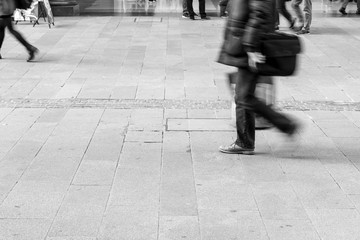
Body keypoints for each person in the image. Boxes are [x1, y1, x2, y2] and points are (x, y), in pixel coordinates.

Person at [217, 0, 299, 155]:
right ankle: (246, 141)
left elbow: (259, 13)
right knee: (244, 96)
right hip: (244, 43)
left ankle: (286, 126)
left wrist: (251, 47)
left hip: (249, 46)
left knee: (243, 97)